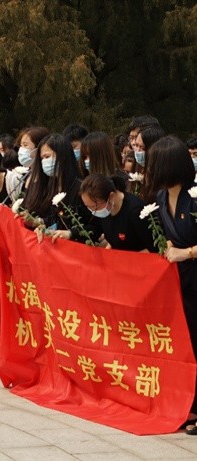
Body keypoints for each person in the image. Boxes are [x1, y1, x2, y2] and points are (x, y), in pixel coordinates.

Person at [149, 136, 197, 428]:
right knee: (186, 343)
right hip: (180, 282)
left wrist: (187, 252)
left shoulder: (195, 197)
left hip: (194, 273)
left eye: (154, 163)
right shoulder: (160, 197)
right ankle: (189, 403)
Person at [18, 133, 87, 240]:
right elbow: (54, 218)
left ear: (63, 156)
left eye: (47, 157)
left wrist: (70, 233)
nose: (44, 162)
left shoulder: (81, 188)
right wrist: (38, 223)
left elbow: (93, 226)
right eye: (42, 158)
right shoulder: (50, 186)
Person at [79, 174, 152, 252]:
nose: (93, 211)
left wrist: (128, 258)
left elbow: (153, 248)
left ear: (111, 196)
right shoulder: (105, 210)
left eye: (94, 207)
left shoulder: (135, 211)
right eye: (88, 207)